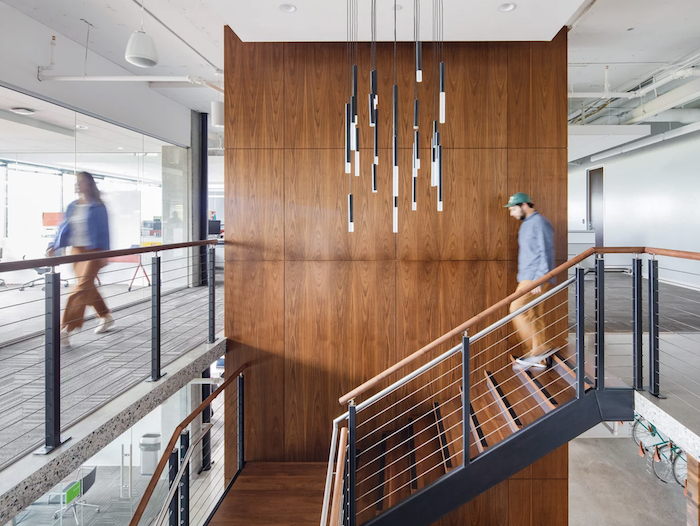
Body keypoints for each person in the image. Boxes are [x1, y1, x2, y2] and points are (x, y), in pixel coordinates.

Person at [49, 172, 114, 348]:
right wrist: (53, 245)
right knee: (87, 287)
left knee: (81, 287)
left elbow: (104, 231)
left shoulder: (99, 207)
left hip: (94, 251)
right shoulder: (72, 206)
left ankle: (65, 329)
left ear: (89, 184)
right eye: (76, 182)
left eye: (81, 182)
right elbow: (63, 228)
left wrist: (105, 253)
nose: (77, 185)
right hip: (76, 251)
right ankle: (105, 316)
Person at [504, 192, 562, 370]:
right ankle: (539, 357)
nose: (512, 213)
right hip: (527, 276)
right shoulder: (527, 225)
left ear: (524, 205)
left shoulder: (539, 223)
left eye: (514, 209)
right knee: (534, 315)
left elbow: (547, 251)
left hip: (534, 278)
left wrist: (540, 279)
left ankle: (538, 352)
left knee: (516, 308)